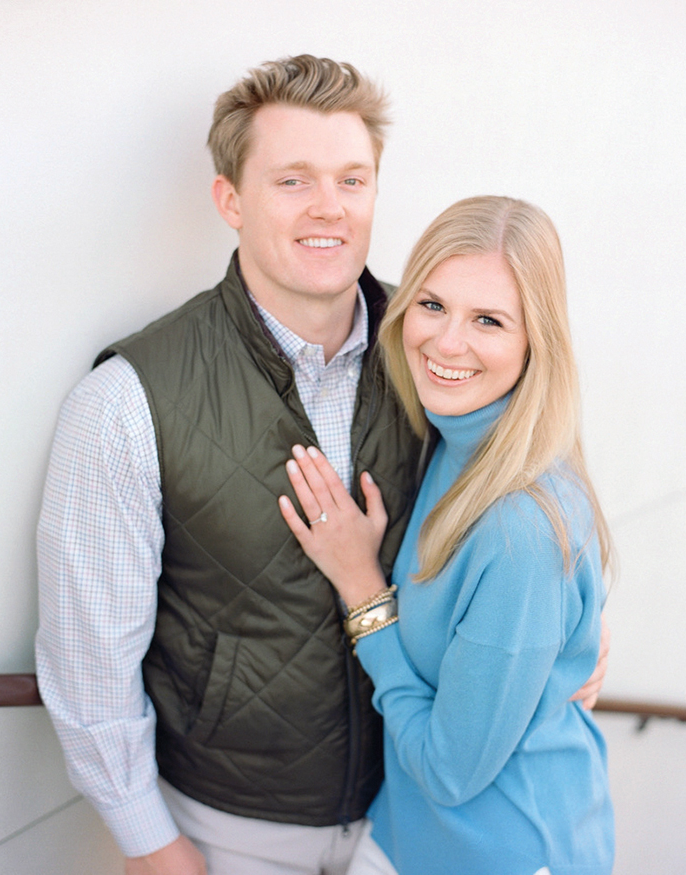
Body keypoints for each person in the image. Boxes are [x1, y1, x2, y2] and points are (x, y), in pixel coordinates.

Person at [35, 54, 607, 875]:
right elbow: (89, 660)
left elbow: (529, 477)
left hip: (403, 827)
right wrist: (150, 842)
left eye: (351, 180)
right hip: (234, 831)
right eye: (293, 181)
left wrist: (567, 629)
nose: (329, 208)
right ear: (230, 199)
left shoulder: (436, 350)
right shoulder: (127, 402)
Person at [279, 196, 615, 875]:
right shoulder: (458, 437)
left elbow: (448, 771)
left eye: (489, 320)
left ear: (536, 341)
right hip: (410, 832)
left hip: (503, 851)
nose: (448, 342)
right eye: (432, 305)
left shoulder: (520, 532)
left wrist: (362, 589)